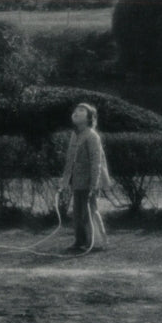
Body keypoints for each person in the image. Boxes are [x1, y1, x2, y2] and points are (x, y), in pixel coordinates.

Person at [59, 103, 112, 253]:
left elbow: (96, 162)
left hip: (89, 181)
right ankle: (80, 241)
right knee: (77, 213)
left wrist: (94, 184)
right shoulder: (75, 135)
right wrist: (65, 180)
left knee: (90, 210)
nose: (76, 112)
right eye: (75, 110)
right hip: (77, 181)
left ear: (89, 118)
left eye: (81, 110)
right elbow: (70, 160)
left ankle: (98, 242)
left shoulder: (92, 135)